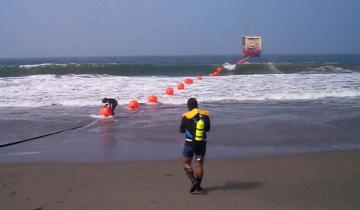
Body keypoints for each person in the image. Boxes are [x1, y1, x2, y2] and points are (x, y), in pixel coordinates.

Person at [179, 98, 211, 194]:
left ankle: (193, 181)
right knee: (199, 164)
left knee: (186, 164)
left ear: (188, 106)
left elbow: (181, 130)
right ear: (197, 105)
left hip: (189, 143)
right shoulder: (205, 116)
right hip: (201, 143)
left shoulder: (186, 117)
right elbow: (208, 129)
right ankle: (198, 186)